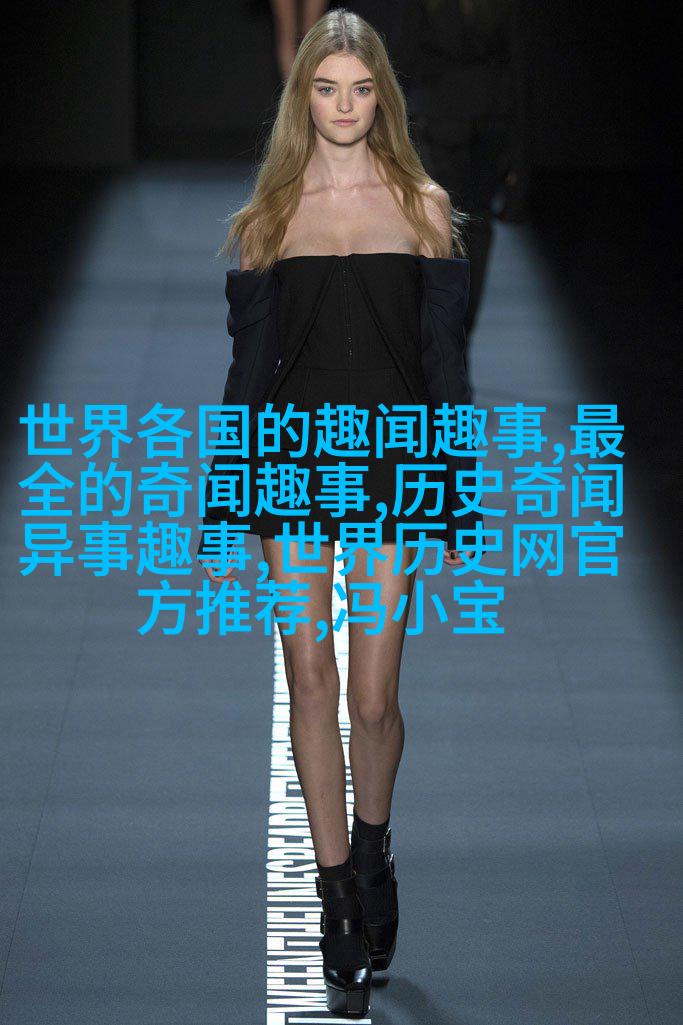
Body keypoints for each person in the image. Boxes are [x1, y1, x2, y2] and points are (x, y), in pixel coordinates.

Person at [199, 8, 482, 1017]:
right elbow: (247, 377)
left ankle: (373, 848)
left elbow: (445, 370)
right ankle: (333, 896)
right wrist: (228, 501)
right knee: (309, 677)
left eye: (361, 89)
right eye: (326, 88)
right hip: (289, 467)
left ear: (382, 98)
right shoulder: (268, 218)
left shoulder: (422, 206)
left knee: (371, 696)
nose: (344, 106)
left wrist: (452, 497)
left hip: (393, 468)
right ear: (302, 97)